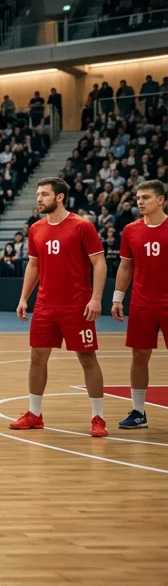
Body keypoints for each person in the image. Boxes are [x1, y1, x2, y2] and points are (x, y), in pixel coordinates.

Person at [15, 177, 108, 437]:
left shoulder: (82, 226)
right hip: (45, 306)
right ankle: (34, 414)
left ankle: (98, 418)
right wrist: (24, 298)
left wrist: (96, 298)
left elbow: (99, 263)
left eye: (44, 194)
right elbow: (33, 266)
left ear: (59, 197)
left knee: (87, 358)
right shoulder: (36, 229)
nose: (39, 199)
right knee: (37, 357)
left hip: (77, 305)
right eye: (38, 194)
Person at [111, 180, 168, 429]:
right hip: (142, 303)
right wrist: (117, 297)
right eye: (138, 198)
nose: (140, 202)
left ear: (160, 200)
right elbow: (126, 266)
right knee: (139, 356)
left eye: (145, 197)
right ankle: (138, 412)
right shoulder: (131, 230)